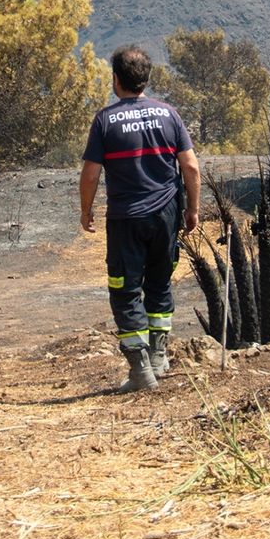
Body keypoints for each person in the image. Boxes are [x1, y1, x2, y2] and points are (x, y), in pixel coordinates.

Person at [79, 46, 200, 393]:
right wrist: (191, 209)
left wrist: (86, 210)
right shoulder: (170, 115)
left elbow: (90, 175)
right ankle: (159, 358)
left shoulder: (105, 120)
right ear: (146, 78)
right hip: (166, 216)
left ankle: (140, 370)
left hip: (125, 219)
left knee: (125, 289)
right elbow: (190, 166)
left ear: (116, 80)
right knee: (160, 282)